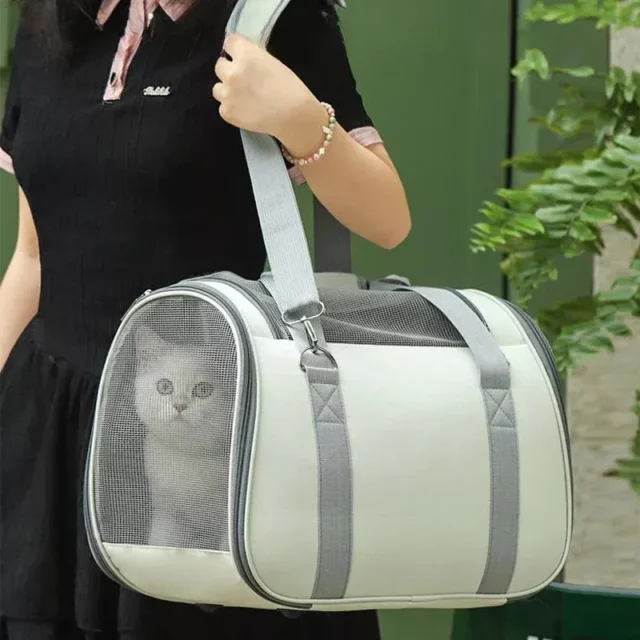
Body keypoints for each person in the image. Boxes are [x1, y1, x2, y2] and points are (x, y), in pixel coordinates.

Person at [0, 0, 411, 637]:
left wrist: (299, 119)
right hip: (51, 434)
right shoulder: (50, 22)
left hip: (209, 440)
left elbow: (388, 220)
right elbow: (32, 257)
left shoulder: (275, 19)